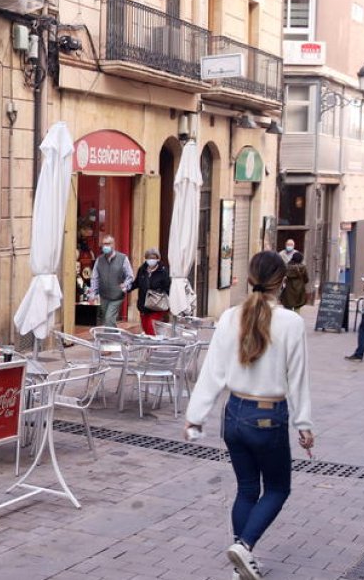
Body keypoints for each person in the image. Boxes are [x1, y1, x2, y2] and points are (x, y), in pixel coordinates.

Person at [185, 251, 314, 580]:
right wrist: (304, 424)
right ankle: (244, 546)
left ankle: (240, 565)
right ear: (282, 283)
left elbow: (211, 371)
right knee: (277, 489)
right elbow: (297, 378)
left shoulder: (230, 316)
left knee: (246, 489)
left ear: (250, 278)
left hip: (235, 413)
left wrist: (196, 416)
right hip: (268, 416)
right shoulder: (291, 322)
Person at [88, 234, 134, 327]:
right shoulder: (99, 260)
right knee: (107, 320)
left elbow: (130, 276)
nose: (105, 246)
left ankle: (109, 339)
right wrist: (93, 294)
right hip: (104, 295)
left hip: (117, 295)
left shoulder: (123, 258)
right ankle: (114, 337)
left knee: (109, 318)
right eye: (104, 244)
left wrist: (125, 285)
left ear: (113, 244)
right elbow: (94, 278)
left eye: (108, 244)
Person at [132, 247, 170, 335]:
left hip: (156, 305)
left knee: (151, 326)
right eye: (149, 257)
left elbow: (167, 287)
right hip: (143, 305)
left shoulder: (163, 271)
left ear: (158, 258)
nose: (151, 260)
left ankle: (153, 347)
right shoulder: (142, 269)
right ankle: (150, 346)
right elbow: (136, 283)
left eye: (153, 258)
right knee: (145, 327)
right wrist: (126, 288)